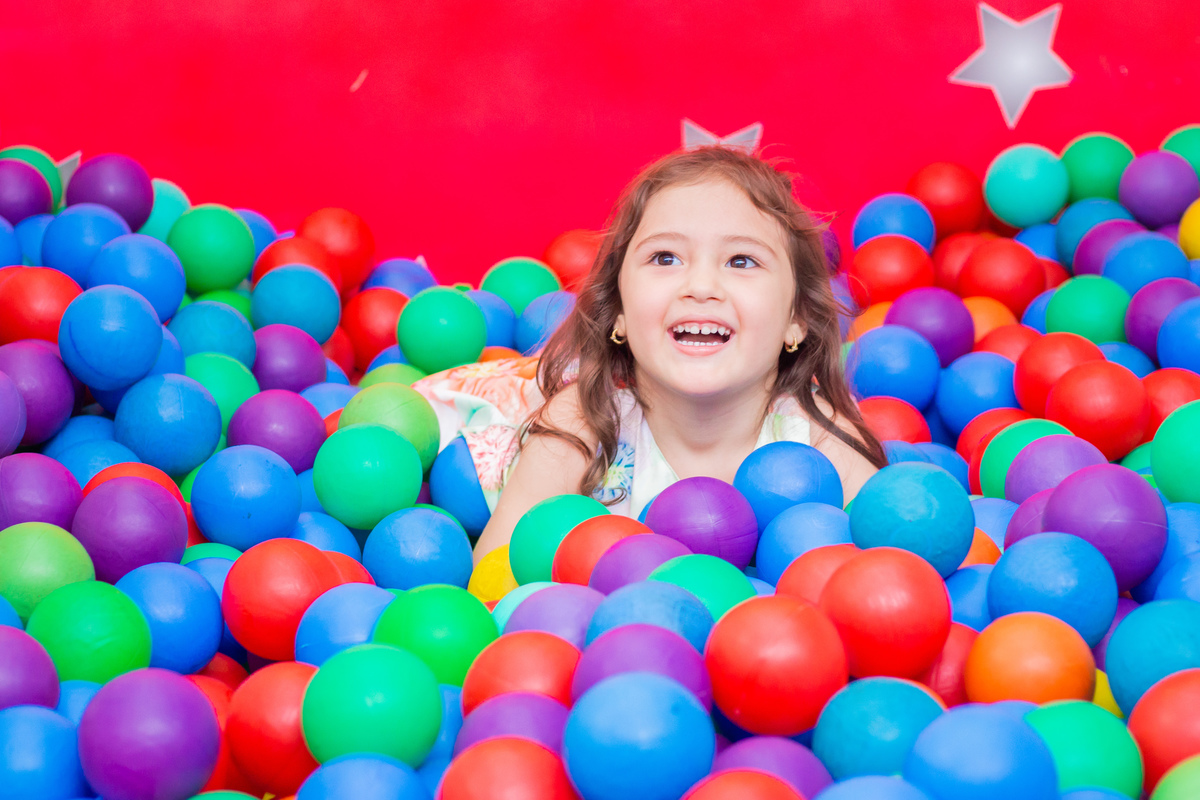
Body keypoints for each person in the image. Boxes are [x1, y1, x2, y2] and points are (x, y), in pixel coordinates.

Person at [415, 145, 886, 563]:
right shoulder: (583, 423)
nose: (701, 287)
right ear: (618, 312)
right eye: (665, 258)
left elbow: (890, 563)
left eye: (742, 261)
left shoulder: (821, 439)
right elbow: (498, 575)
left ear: (795, 320)